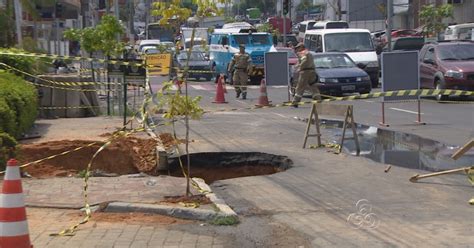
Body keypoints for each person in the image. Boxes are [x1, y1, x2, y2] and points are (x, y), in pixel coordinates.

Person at [291, 43, 321, 107]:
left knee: (300, 87)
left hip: (305, 72)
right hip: (312, 71)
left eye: (298, 48)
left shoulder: (303, 53)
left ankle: (295, 102)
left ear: (301, 47)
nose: (297, 49)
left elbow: (304, 61)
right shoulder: (309, 53)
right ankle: (318, 99)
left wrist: (299, 67)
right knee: (313, 86)